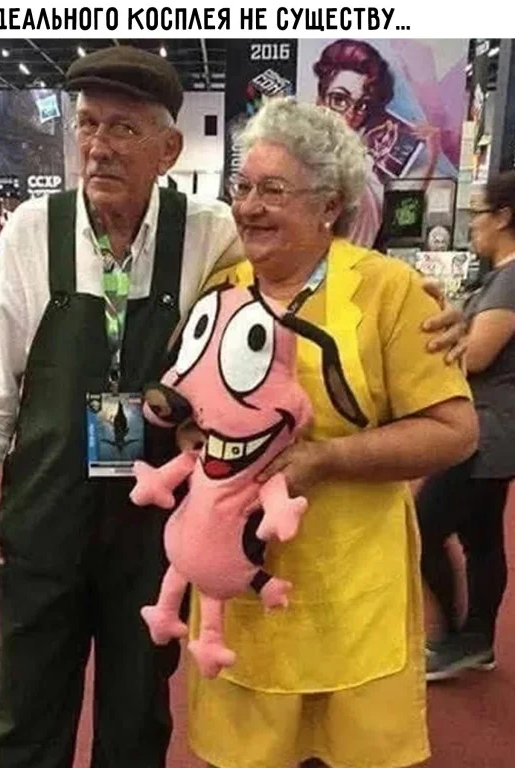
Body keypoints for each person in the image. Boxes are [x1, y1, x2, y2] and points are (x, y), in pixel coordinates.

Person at [0, 48, 467, 768]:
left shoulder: (211, 231)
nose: (99, 146)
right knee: (27, 704)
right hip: (46, 504)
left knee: (138, 708)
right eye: (88, 124)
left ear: (169, 149)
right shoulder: (32, 230)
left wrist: (431, 299)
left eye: (124, 129)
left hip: (155, 521)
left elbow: (313, 256)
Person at [184, 99, 478, 768]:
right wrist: (192, 444)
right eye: (243, 187)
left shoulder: (390, 291)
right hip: (245, 595)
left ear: (329, 205)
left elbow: (454, 431)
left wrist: (327, 459)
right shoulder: (221, 287)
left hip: (352, 592)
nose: (249, 207)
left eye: (273, 190)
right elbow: (186, 404)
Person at [418, 171, 515, 681]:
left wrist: (439, 336)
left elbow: (475, 355)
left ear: (503, 217)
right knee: (481, 538)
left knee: (423, 528)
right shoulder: (497, 278)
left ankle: (459, 638)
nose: (473, 223)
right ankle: (474, 640)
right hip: (491, 429)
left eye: (479, 213)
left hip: (484, 431)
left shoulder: (510, 278)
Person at [313, 40, 440, 248]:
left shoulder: (367, 172)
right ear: (320, 99)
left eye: (362, 105)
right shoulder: (302, 161)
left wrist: (432, 155)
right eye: (339, 99)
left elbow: (402, 217)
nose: (350, 114)